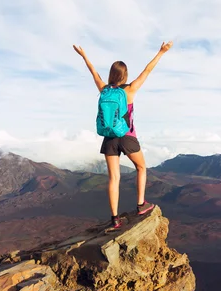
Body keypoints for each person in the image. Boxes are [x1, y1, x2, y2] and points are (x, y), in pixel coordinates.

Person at [73, 41, 173, 229]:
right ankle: (141, 204)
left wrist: (84, 56)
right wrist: (161, 51)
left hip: (109, 138)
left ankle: (115, 219)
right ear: (125, 75)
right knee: (141, 168)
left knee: (114, 178)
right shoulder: (130, 90)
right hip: (127, 137)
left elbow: (93, 72)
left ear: (111, 74)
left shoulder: (103, 90)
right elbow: (147, 71)